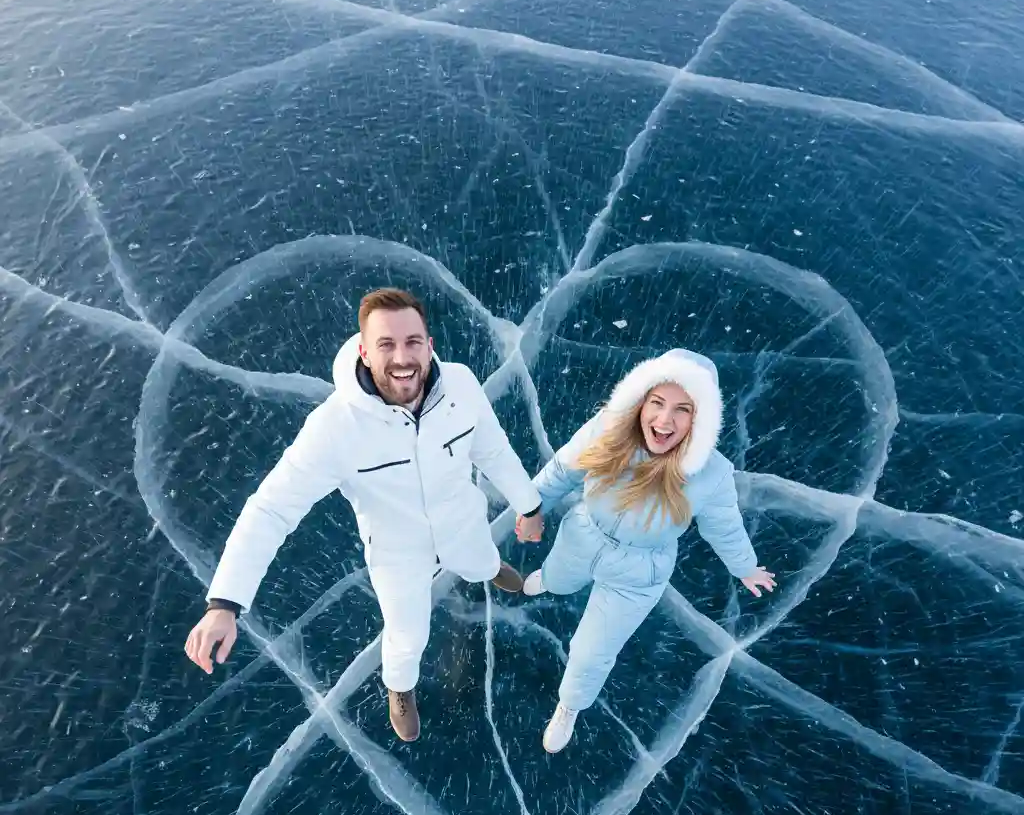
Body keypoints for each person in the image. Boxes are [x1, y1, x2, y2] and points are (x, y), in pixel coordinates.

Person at [184, 288, 545, 742]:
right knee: (407, 634)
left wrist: (528, 505)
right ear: (363, 351)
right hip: (398, 553)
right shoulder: (336, 427)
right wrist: (224, 604)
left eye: (413, 342)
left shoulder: (461, 385)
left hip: (462, 523)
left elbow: (492, 449)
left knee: (479, 560)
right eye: (386, 345)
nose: (402, 358)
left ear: (430, 345)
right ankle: (400, 688)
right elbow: (272, 509)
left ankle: (492, 570)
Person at [514, 348, 776, 754]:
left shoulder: (712, 474)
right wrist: (533, 509)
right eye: (657, 403)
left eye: (682, 409)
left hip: (639, 572)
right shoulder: (608, 429)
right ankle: (547, 580)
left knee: (591, 652)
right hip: (584, 535)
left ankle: (569, 705)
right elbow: (565, 469)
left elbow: (724, 526)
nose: (664, 420)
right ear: (640, 401)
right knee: (560, 578)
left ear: (700, 418)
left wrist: (745, 567)